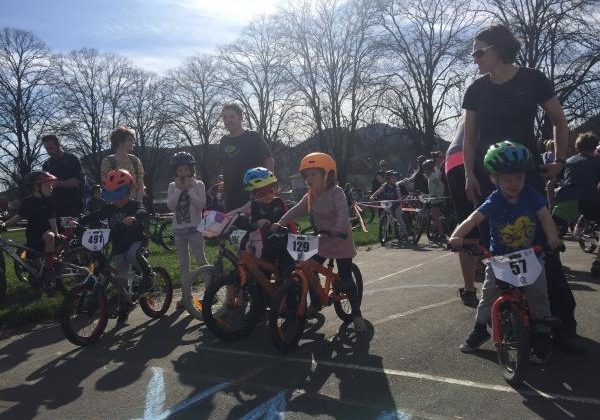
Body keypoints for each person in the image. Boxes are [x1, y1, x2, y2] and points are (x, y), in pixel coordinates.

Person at [462, 24, 583, 353]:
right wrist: (468, 176)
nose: (474, 59)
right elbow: (469, 138)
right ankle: (500, 321)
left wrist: (559, 160)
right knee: (498, 250)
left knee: (543, 249)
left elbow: (559, 119)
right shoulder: (476, 90)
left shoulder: (533, 80)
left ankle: (561, 325)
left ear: (498, 50)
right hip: (489, 178)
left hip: (526, 174)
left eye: (478, 52)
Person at [450, 141, 560, 364]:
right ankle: (480, 329)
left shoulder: (531, 195)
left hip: (529, 255)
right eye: (507, 179)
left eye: (519, 178)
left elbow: (545, 216)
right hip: (499, 258)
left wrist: (552, 237)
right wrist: (456, 236)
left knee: (538, 294)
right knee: (489, 294)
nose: (514, 183)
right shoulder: (494, 200)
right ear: (494, 179)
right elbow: (473, 218)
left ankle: (541, 334)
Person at [270, 152, 367, 332]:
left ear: (327, 174)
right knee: (307, 269)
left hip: (340, 240)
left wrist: (338, 227)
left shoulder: (336, 193)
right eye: (306, 175)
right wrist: (281, 222)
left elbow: (342, 214)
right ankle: (316, 301)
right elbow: (297, 210)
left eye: (313, 174)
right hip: (323, 240)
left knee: (345, 280)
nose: (309, 179)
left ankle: (356, 314)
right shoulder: (311, 195)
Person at [80, 169, 156, 323]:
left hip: (136, 241)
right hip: (119, 245)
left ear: (129, 191)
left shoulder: (135, 204)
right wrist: (80, 221)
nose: (118, 200)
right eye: (113, 197)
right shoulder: (110, 208)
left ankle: (149, 276)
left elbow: (142, 212)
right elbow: (97, 215)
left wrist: (135, 218)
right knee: (120, 280)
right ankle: (126, 304)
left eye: (121, 195)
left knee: (131, 255)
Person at [1, 171, 63, 289]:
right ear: (36, 187)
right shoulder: (27, 202)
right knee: (37, 268)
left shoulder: (49, 200)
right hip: (33, 235)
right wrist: (5, 224)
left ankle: (49, 269)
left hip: (47, 232)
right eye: (47, 185)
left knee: (49, 236)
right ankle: (42, 279)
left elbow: (52, 219)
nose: (51, 188)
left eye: (51, 185)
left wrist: (56, 234)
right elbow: (18, 216)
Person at [228, 167, 296, 272]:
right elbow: (238, 211)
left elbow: (276, 219)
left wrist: (264, 222)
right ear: (252, 194)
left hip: (281, 240)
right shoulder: (253, 204)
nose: (268, 195)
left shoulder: (277, 203)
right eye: (261, 193)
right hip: (261, 238)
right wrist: (222, 218)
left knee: (263, 261)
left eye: (270, 190)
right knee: (245, 250)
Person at [553, 132, 600, 277]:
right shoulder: (598, 162)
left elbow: (550, 184)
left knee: (553, 229)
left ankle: (552, 260)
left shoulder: (568, 161)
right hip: (590, 201)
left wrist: (551, 204)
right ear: (595, 147)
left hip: (567, 200)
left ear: (577, 146)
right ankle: (598, 262)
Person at [445, 118, 479, 307]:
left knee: (468, 221)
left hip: (452, 160)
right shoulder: (499, 99)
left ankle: (469, 289)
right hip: (476, 154)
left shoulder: (465, 115)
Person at [166, 152, 208, 309]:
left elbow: (201, 204)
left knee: (200, 260)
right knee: (184, 265)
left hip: (195, 229)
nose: (183, 173)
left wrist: (190, 189)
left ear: (191, 170)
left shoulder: (199, 184)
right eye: (180, 170)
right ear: (175, 172)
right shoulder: (172, 186)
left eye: (186, 169)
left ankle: (210, 291)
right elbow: (171, 206)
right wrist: (178, 189)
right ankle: (186, 296)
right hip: (179, 230)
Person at [219, 103, 274, 211]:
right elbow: (225, 169)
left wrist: (268, 188)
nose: (228, 120)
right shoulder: (223, 141)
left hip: (254, 195)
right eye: (225, 117)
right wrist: (224, 196)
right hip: (231, 199)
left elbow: (269, 160)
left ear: (240, 118)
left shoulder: (253, 136)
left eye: (232, 116)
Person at [41, 134, 84, 218]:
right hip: (55, 208)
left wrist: (57, 184)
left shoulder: (72, 159)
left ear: (58, 145)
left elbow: (76, 182)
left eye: (51, 148)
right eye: (47, 149)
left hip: (73, 207)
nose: (49, 151)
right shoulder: (46, 165)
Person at [101, 126, 145, 202]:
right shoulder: (107, 161)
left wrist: (138, 203)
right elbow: (106, 185)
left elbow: (140, 184)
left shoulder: (134, 160)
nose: (132, 143)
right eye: (129, 140)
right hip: (115, 205)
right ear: (120, 142)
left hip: (134, 204)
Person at [370, 170, 408, 239]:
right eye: (393, 178)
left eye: (395, 178)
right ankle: (388, 229)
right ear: (388, 179)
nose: (395, 179)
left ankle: (405, 232)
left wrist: (398, 199)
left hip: (396, 204)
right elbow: (378, 191)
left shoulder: (396, 186)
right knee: (388, 216)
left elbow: (399, 196)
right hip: (388, 204)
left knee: (399, 217)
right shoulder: (384, 186)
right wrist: (372, 196)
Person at [422, 159, 446, 242]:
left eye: (425, 168)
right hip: (433, 199)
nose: (424, 170)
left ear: (429, 168)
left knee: (435, 217)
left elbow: (441, 185)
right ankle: (438, 232)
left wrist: (440, 195)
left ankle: (441, 234)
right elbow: (434, 188)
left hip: (437, 199)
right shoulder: (430, 176)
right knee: (434, 217)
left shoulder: (432, 176)